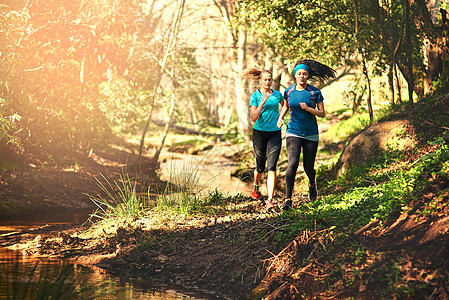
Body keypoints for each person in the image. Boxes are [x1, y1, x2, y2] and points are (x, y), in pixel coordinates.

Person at [277, 60, 336, 210]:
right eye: (299, 74)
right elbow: (286, 106)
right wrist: (280, 118)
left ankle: (312, 184)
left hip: (310, 133)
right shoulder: (289, 92)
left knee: (309, 168)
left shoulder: (315, 92)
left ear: (307, 76)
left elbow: (322, 113)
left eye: (304, 74)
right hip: (293, 131)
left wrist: (310, 109)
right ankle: (288, 200)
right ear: (295, 75)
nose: (301, 76)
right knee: (292, 164)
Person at [240, 68, 284, 210]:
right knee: (260, 167)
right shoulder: (256, 96)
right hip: (259, 133)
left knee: (272, 167)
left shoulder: (277, 95)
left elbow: (285, 105)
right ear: (260, 81)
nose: (267, 82)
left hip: (275, 133)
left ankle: (270, 200)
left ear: (272, 81)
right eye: (265, 79)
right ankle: (256, 184)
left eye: (269, 79)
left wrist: (281, 117)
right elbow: (253, 117)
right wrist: (262, 102)